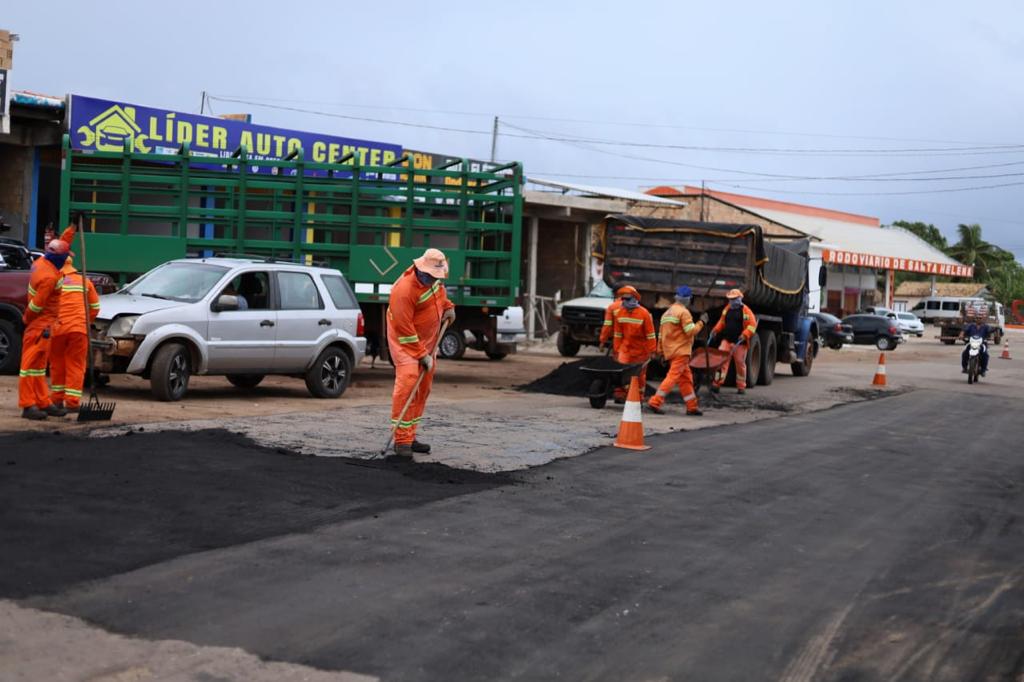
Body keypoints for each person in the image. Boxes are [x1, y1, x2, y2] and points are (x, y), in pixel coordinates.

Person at [386, 248, 456, 458]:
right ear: (421, 269)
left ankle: (410, 435)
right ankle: (401, 441)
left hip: (428, 342)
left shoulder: (433, 280)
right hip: (405, 342)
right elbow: (404, 329)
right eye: (431, 276)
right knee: (408, 384)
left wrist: (448, 307)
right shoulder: (404, 290)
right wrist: (421, 355)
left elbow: (439, 296)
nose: (434, 279)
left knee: (423, 389)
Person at [18, 225, 76, 419]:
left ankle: (43, 402)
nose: (67, 260)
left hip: (44, 324)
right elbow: (36, 305)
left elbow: (62, 244)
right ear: (60, 259)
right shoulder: (49, 277)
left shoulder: (42, 262)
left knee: (38, 367)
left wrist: (73, 227)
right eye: (66, 257)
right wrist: (26, 320)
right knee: (29, 366)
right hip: (40, 325)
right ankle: (28, 405)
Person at [50, 256, 100, 412]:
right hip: (78, 330)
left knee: (57, 364)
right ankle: (72, 402)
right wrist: (85, 320)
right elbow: (95, 307)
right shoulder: (84, 281)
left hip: (57, 329)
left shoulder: (53, 280)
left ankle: (57, 400)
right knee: (76, 365)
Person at [648, 285, 708, 416]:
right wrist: (701, 322)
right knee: (672, 377)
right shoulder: (684, 313)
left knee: (686, 379)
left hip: (671, 352)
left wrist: (661, 351)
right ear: (688, 299)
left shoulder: (667, 313)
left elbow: (661, 335)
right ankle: (655, 402)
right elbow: (690, 331)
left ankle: (692, 407)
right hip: (681, 352)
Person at [610, 290, 657, 403]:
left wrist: (652, 350)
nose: (624, 302)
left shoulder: (644, 314)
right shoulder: (620, 313)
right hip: (625, 348)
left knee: (639, 375)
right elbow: (617, 334)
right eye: (623, 299)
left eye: (627, 299)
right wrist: (616, 350)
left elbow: (650, 335)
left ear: (635, 299)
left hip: (641, 350)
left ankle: (638, 397)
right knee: (622, 371)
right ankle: (620, 395)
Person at [708, 288, 757, 394]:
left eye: (734, 299)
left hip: (740, 343)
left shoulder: (746, 311)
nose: (732, 301)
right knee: (721, 362)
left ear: (740, 298)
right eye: (730, 299)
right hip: (727, 340)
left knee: (740, 364)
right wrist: (715, 330)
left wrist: (745, 335)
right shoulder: (727, 309)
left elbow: (752, 325)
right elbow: (722, 322)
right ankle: (716, 384)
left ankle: (741, 386)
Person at [599, 285, 639, 351]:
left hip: (619, 341)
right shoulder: (638, 307)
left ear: (615, 294)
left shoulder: (612, 307)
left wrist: (602, 341)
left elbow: (607, 326)